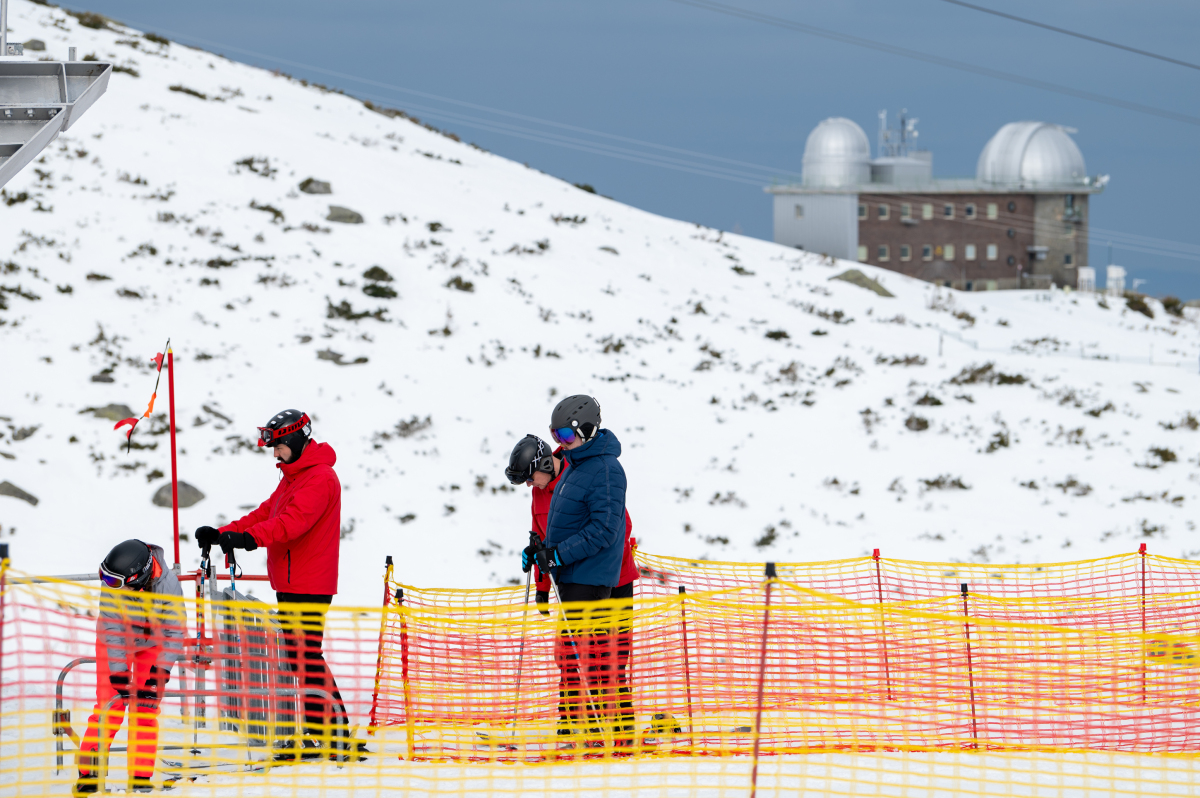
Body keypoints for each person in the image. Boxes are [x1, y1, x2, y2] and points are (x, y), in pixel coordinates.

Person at [194, 408, 357, 761]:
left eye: (279, 445)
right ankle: (329, 735)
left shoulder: (320, 478)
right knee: (303, 659)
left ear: (297, 440)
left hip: (309, 584)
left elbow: (290, 524)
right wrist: (224, 533)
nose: (275, 453)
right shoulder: (293, 477)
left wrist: (247, 539)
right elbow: (267, 512)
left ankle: (333, 736)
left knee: (306, 659)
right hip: (290, 580)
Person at [506, 433, 639, 745]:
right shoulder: (540, 494)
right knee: (569, 653)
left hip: (613, 577)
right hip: (572, 580)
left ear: (543, 464)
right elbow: (544, 539)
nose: (529, 485)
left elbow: (618, 526)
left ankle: (619, 728)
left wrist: (576, 560)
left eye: (530, 478)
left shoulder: (586, 474)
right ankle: (572, 725)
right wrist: (540, 577)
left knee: (609, 656)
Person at [75, 540, 184, 796]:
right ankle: (89, 774)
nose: (108, 584)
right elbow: (112, 630)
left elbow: (174, 632)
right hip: (115, 640)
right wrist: (119, 672)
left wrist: (161, 672)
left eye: (114, 582)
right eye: (106, 579)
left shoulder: (168, 586)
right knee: (110, 706)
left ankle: (140, 778)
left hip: (152, 643)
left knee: (145, 708)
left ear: (138, 577)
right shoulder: (113, 581)